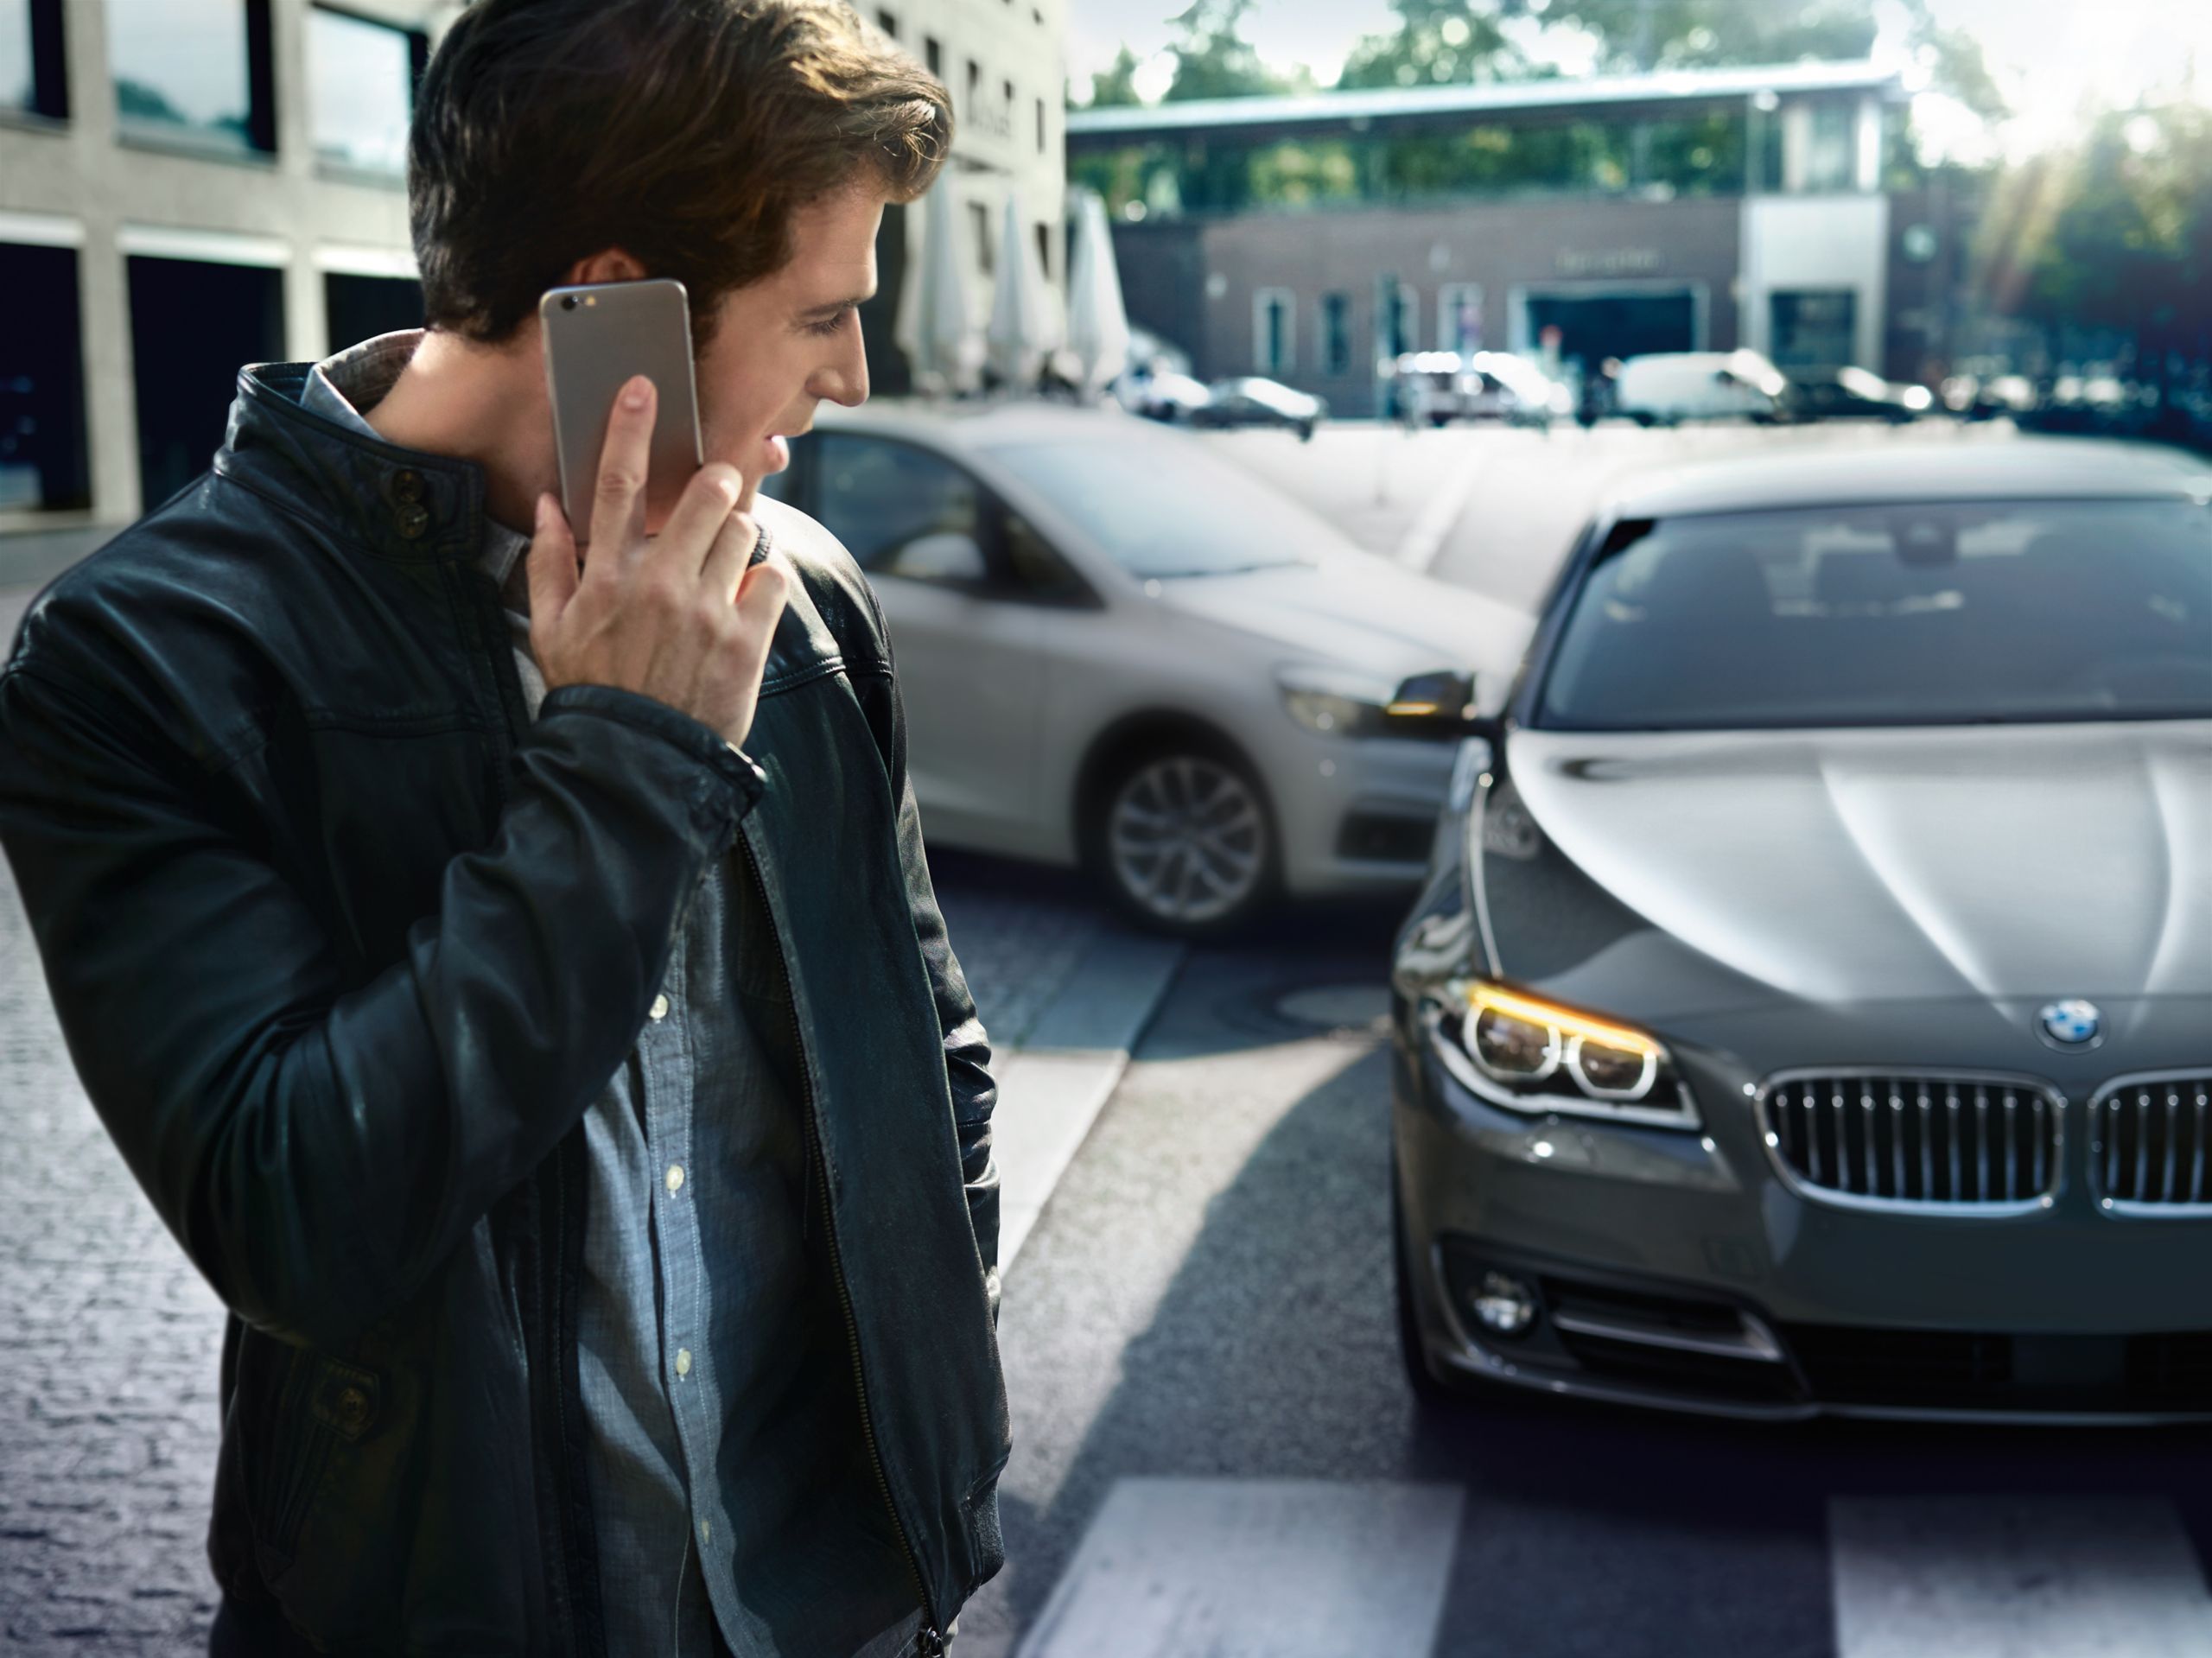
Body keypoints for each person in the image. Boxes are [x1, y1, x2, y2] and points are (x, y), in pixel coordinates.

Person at [0, 3, 1008, 1653]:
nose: (854, 376)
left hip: (849, 1604)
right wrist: (629, 760)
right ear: (619, 307)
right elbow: (294, 1216)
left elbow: (931, 1043)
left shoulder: (803, 594)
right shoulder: (151, 654)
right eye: (824, 315)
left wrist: (929, 1412)